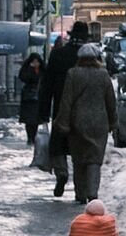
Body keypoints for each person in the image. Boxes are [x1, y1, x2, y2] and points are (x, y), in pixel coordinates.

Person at [54, 44, 117, 205]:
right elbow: (111, 101)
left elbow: (66, 100)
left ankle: (80, 193)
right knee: (94, 159)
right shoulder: (103, 75)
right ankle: (92, 192)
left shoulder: (73, 74)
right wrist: (113, 121)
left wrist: (63, 123)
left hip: (77, 122)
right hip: (99, 123)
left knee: (79, 159)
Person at [39, 20, 91, 197]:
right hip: (85, 111)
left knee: (58, 145)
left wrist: (43, 113)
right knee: (80, 149)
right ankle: (80, 190)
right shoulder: (91, 59)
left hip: (61, 107)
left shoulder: (58, 54)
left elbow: (46, 86)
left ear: (70, 36)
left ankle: (61, 173)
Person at [17, 52, 44, 146]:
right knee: (29, 119)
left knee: (35, 119)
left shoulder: (42, 70)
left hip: (38, 97)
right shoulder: (27, 69)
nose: (36, 63)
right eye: (34, 61)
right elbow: (24, 77)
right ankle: (29, 138)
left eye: (37, 61)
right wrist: (31, 68)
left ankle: (34, 136)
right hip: (28, 97)